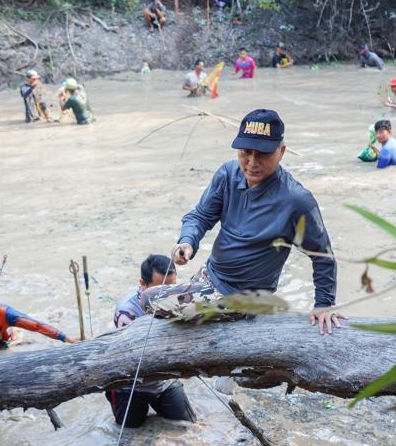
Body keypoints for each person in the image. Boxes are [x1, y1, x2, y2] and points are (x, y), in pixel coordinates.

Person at [145, 109, 345, 334]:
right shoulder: (228, 174)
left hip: (245, 298)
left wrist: (324, 304)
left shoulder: (296, 200)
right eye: (245, 152)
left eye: (263, 154)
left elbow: (323, 256)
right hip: (210, 275)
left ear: (281, 151)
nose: (251, 162)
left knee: (147, 300)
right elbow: (199, 216)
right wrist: (187, 242)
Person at [106, 255, 196, 427]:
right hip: (131, 386)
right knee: (129, 430)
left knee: (187, 426)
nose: (169, 295)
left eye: (172, 287)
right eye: (160, 290)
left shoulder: (179, 298)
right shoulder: (128, 311)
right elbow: (135, 360)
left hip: (164, 383)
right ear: (143, 284)